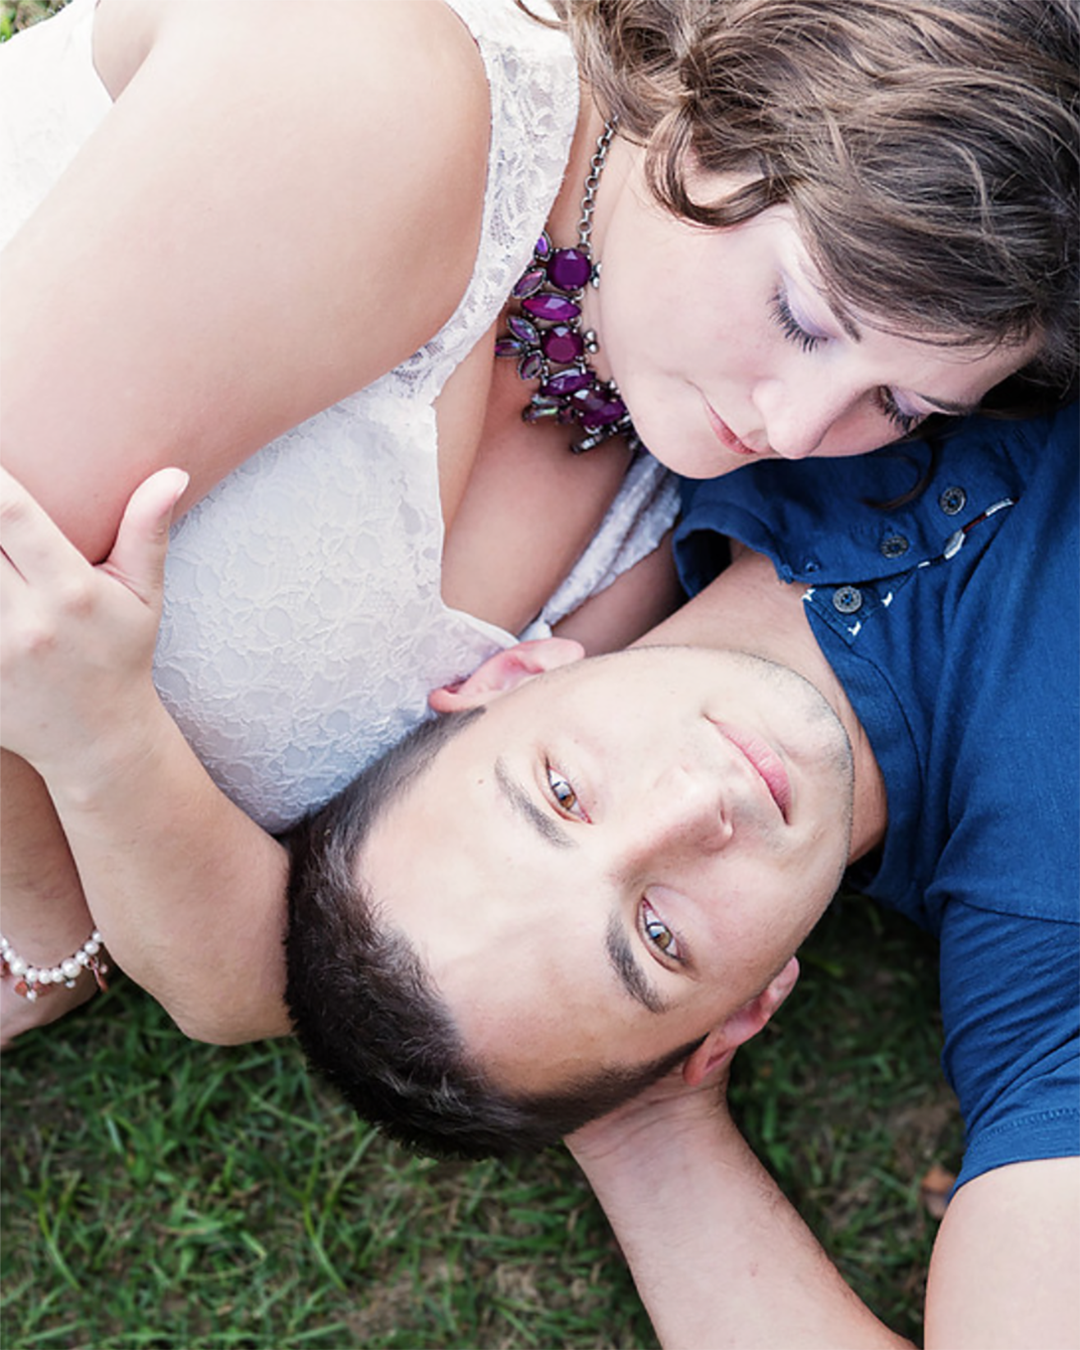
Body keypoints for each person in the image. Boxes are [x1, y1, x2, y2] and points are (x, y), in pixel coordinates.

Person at [0, 0, 1077, 1043]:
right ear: (717, 99)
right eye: (801, 316)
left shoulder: (653, 528)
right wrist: (54, 913)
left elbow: (288, 974)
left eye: (900, 406)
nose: (797, 428)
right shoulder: (367, 97)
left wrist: (101, 752)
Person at [4, 383, 1080, 1346]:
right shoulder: (1042, 960)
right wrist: (649, 1123)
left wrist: (103, 737)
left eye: (562, 793)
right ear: (739, 1016)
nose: (698, 805)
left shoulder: (713, 390)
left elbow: (227, 977)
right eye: (658, 938)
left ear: (510, 674)